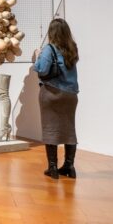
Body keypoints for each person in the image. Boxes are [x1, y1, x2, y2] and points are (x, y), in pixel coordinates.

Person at [33, 18, 79, 179]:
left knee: (50, 128)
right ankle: (69, 166)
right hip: (71, 95)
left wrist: (37, 57)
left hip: (52, 94)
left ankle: (52, 167)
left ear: (51, 32)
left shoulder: (48, 49)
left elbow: (42, 70)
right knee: (69, 130)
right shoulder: (72, 48)